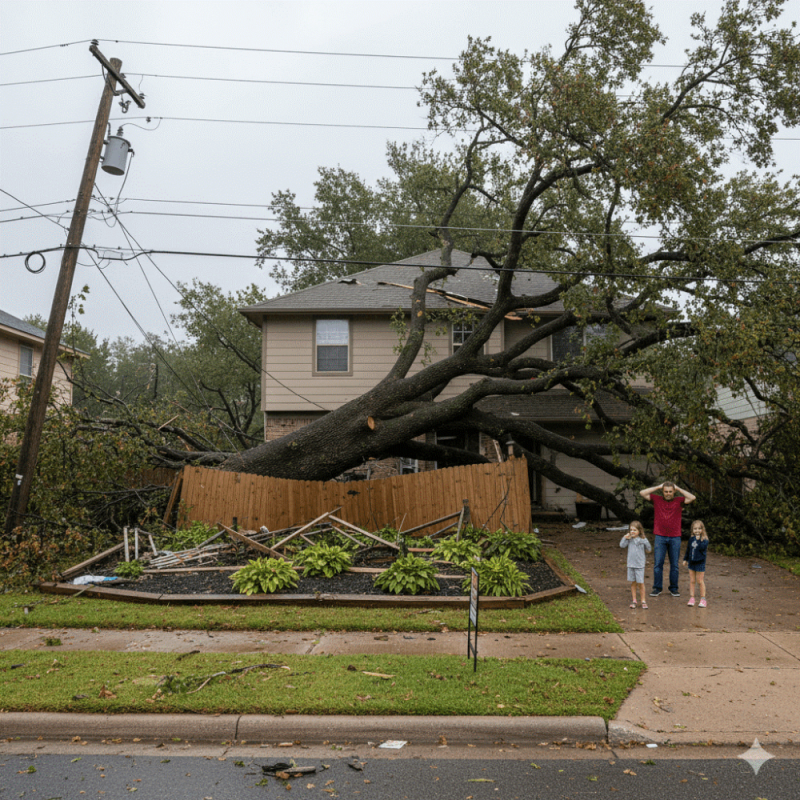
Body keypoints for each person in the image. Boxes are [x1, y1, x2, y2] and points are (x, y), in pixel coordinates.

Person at [639, 481, 696, 597]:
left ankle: (674, 588)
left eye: (670, 491)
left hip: (675, 537)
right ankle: (657, 588)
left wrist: (679, 488)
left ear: (673, 492)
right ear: (663, 492)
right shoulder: (657, 499)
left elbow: (692, 497)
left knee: (674, 564)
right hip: (660, 536)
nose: (668, 493)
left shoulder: (679, 500)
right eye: (666, 491)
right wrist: (659, 486)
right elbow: (642, 493)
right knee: (658, 564)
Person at [620, 520, 651, 609]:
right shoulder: (629, 539)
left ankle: (643, 601)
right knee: (633, 583)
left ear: (639, 531)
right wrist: (625, 538)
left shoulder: (642, 539)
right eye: (631, 530)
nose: (632, 532)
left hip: (640, 565)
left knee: (640, 583)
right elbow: (622, 545)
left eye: (634, 530)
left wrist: (645, 541)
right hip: (631, 564)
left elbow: (649, 549)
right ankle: (634, 600)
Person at [683, 520, 709, 607]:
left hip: (700, 563)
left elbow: (702, 548)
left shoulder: (704, 540)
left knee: (700, 581)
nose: (697, 530)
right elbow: (688, 550)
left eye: (699, 528)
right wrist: (685, 559)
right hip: (691, 563)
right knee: (692, 581)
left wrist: (699, 540)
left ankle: (703, 599)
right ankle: (692, 598)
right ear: (692, 530)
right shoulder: (691, 539)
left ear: (702, 529)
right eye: (695, 529)